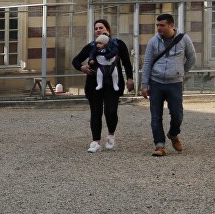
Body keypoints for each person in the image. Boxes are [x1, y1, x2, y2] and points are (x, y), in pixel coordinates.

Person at [71, 19, 133, 153]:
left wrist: (130, 78)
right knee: (96, 112)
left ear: (108, 30)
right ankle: (96, 141)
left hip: (113, 84)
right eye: (96, 28)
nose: (98, 30)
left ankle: (111, 134)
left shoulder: (118, 44)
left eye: (101, 27)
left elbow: (127, 63)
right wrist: (82, 68)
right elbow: (75, 60)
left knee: (110, 111)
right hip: (94, 85)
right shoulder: (91, 46)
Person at [140, 13, 196, 156]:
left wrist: (180, 72)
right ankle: (160, 146)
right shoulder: (153, 41)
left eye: (162, 25)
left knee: (177, 114)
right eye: (157, 25)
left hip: (174, 83)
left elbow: (191, 58)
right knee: (155, 116)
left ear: (171, 25)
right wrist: (144, 84)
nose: (159, 28)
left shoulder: (184, 39)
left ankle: (173, 134)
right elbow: (147, 63)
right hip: (156, 82)